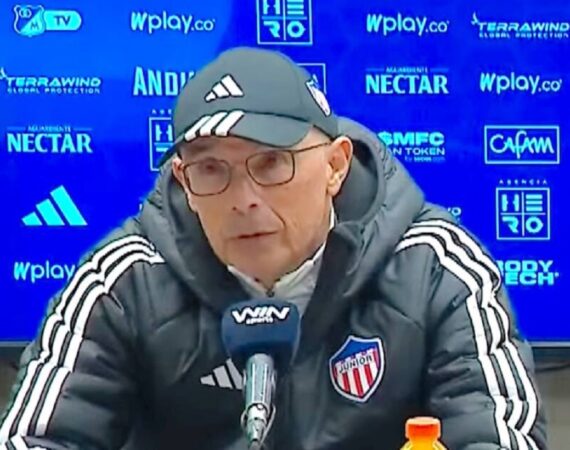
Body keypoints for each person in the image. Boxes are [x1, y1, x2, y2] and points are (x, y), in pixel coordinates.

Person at [0, 47, 547, 450]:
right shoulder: (124, 282)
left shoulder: (436, 268)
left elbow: (500, 437)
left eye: (270, 163)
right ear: (183, 182)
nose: (244, 200)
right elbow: (35, 439)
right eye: (211, 170)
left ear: (335, 166)